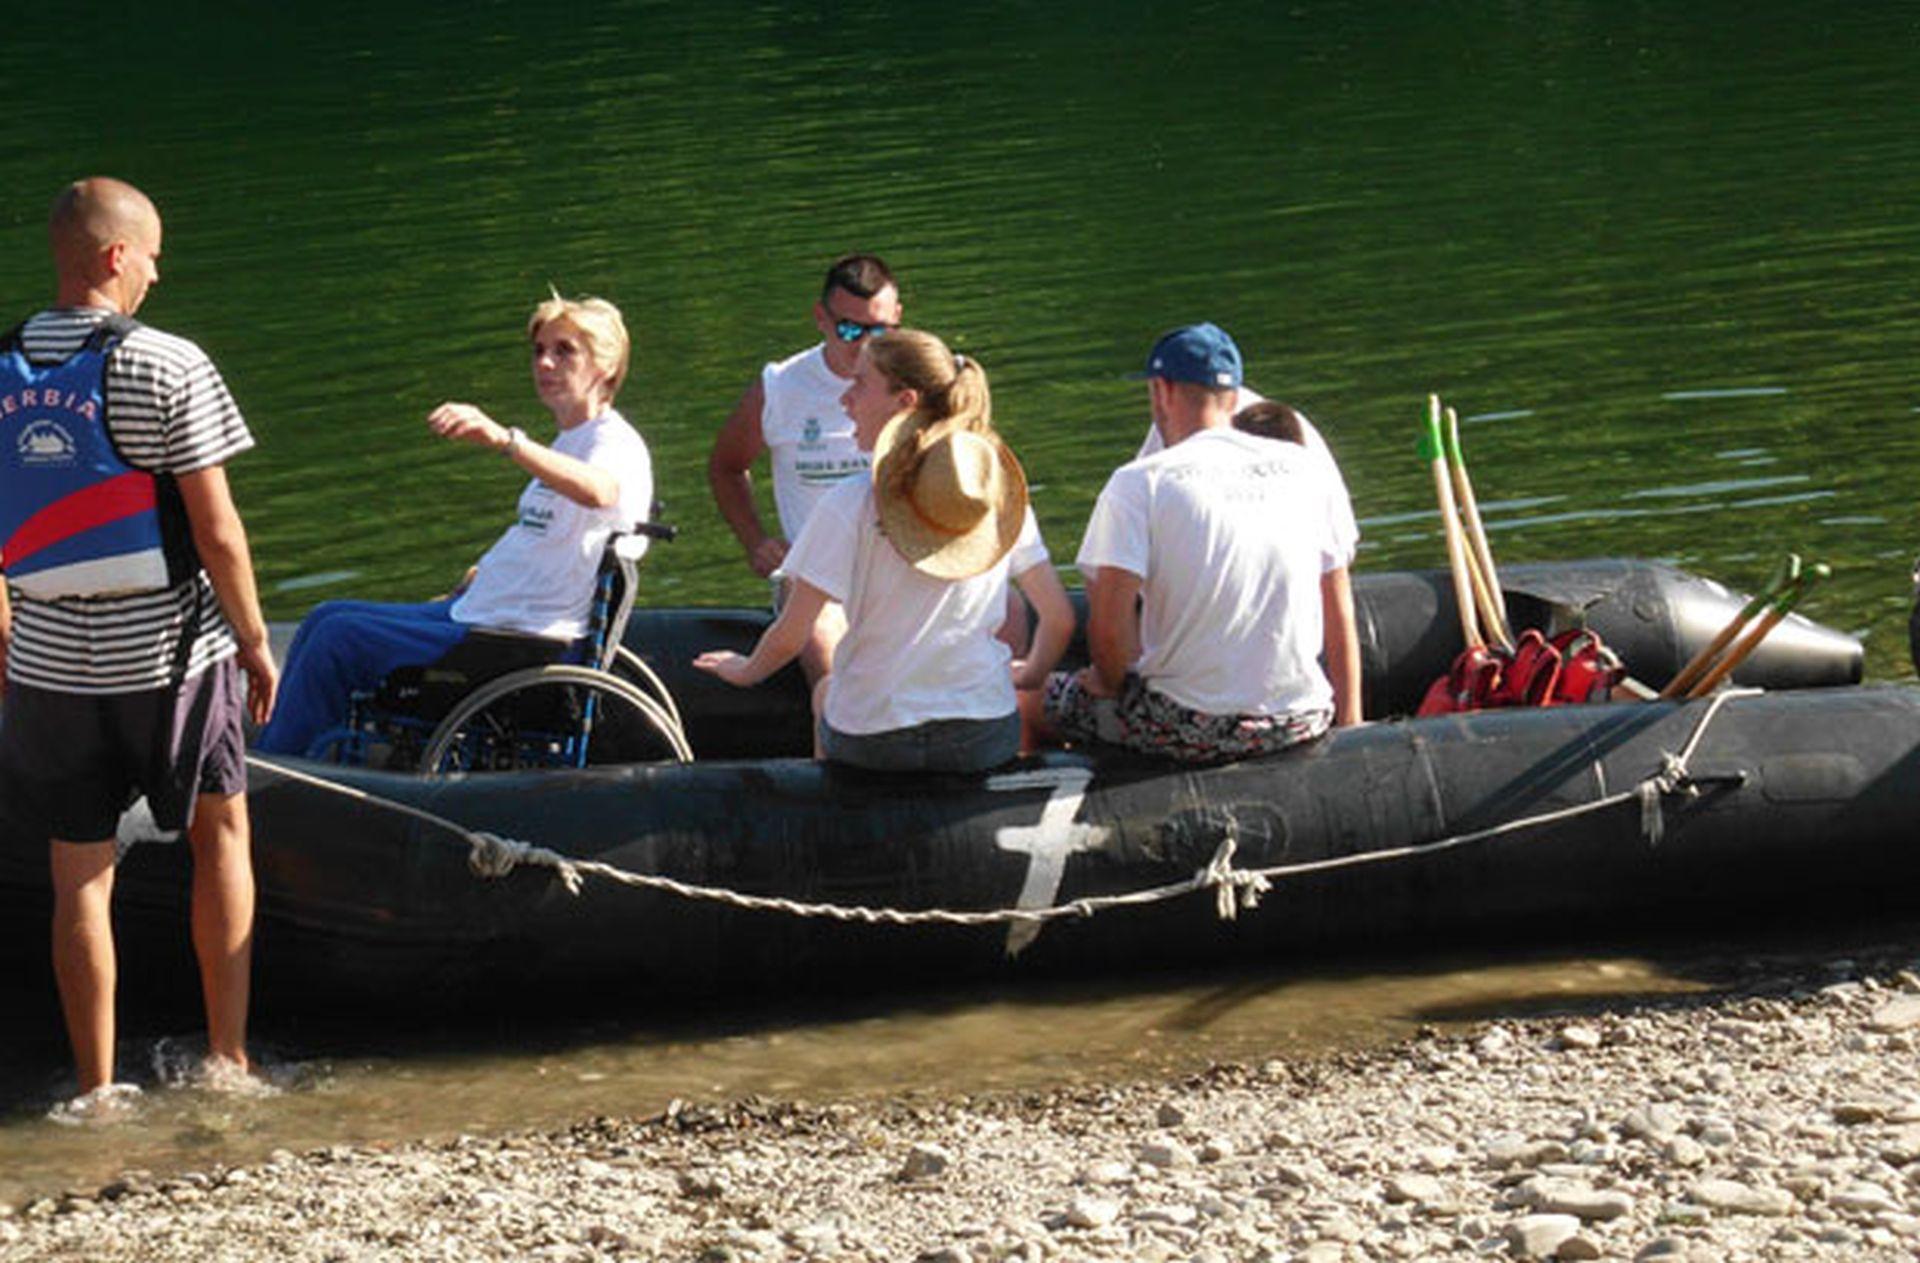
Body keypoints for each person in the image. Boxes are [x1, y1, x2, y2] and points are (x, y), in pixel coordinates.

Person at [0, 177, 278, 1095]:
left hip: (47, 666)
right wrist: (253, 639)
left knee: (79, 874)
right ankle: (227, 1061)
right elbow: (217, 529)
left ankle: (95, 1089)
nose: (157, 274)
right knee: (222, 831)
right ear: (116, 256)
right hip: (172, 659)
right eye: (152, 255)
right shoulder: (167, 363)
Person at [256, 294, 653, 757]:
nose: (544, 363)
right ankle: (285, 754)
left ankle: (275, 769)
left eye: (564, 351)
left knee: (335, 638)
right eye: (539, 350)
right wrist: (480, 575)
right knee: (326, 615)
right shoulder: (569, 441)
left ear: (604, 366)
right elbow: (542, 541)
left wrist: (506, 441)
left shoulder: (613, 442)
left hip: (523, 643)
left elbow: (602, 491)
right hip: (487, 613)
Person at [694, 329, 1074, 772]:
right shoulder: (997, 496)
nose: (845, 400)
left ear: (905, 402)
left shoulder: (851, 502)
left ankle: (830, 818)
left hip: (875, 741)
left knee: (824, 692)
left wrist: (742, 670)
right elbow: (1060, 618)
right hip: (983, 735)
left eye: (859, 384)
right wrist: (1027, 675)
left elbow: (792, 634)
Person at [1039, 323, 1362, 764]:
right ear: (1235, 397)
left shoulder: (1139, 483)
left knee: (1029, 699)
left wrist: (1108, 683)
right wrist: (1351, 725)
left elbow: (1109, 628)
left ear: (1162, 391)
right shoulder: (1304, 466)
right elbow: (1338, 605)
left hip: (1187, 725)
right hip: (1302, 719)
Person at [708, 255, 901, 686]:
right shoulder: (781, 387)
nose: (864, 345)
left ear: (899, 319)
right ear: (821, 318)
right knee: (820, 634)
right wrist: (755, 541)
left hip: (899, 564)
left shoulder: (915, 382)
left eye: (880, 331)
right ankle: (840, 734)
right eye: (850, 329)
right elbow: (726, 466)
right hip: (815, 577)